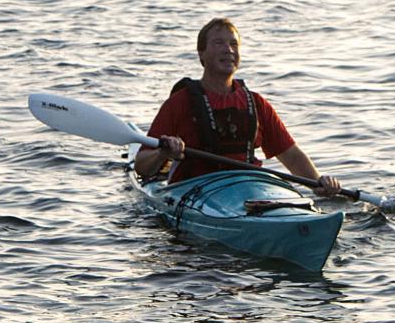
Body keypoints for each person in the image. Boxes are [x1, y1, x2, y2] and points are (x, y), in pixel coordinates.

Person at [134, 18, 344, 195]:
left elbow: (290, 154)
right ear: (202, 54)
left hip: (250, 187)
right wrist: (163, 153)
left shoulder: (256, 103)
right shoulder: (180, 102)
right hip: (196, 190)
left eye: (234, 44)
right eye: (218, 43)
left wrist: (318, 183)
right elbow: (142, 167)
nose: (228, 50)